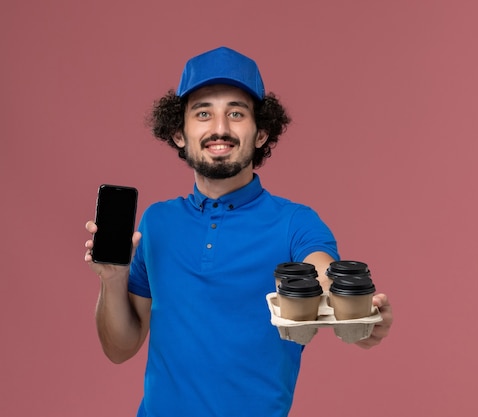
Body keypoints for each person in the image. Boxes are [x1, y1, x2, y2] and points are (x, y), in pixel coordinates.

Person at [84, 46, 393, 417]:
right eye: (203, 113)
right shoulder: (156, 222)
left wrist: (357, 312)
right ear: (178, 133)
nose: (220, 128)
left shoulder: (295, 222)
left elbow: (325, 273)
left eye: (236, 113)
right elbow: (120, 348)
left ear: (261, 133)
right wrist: (112, 280)